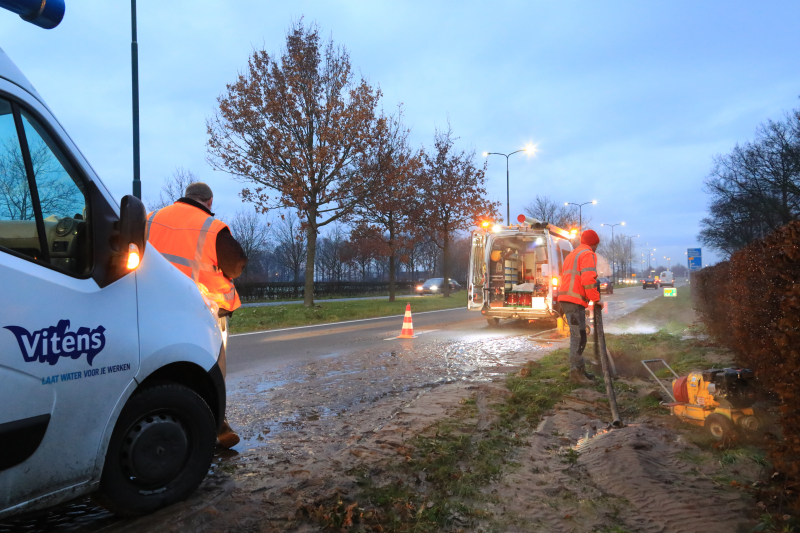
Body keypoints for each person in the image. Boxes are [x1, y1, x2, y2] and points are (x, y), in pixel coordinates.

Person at [146, 181, 246, 448]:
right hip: (200, 311)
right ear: (209, 202)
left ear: (186, 196)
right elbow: (236, 265)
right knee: (211, 371)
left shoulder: (150, 219)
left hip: (151, 306)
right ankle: (218, 427)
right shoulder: (213, 228)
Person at [557, 229, 603, 385]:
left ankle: (580, 370)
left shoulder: (573, 254)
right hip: (573, 301)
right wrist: (596, 299)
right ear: (594, 244)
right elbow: (588, 279)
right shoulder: (587, 254)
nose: (596, 248)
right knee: (577, 337)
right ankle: (575, 373)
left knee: (581, 335)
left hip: (568, 299)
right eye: (596, 245)